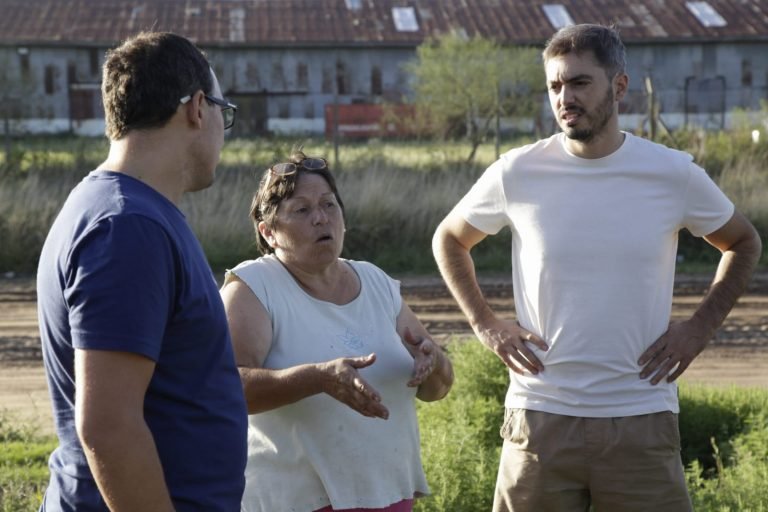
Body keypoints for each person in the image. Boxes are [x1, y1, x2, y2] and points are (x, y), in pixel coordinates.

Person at [432, 23, 762, 512]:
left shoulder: (672, 174)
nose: (565, 98)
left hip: (640, 416)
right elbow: (449, 239)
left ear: (619, 86)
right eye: (555, 86)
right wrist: (485, 324)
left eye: (580, 82)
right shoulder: (517, 172)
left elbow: (743, 242)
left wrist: (699, 328)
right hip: (540, 418)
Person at [36, 32, 247, 511]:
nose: (223, 129)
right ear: (198, 108)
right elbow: (109, 427)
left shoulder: (122, 211)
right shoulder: (127, 226)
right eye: (224, 112)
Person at [220, 149, 454, 512]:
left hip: (389, 497)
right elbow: (226, 388)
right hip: (295, 502)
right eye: (302, 210)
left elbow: (437, 387)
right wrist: (318, 379)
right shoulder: (254, 286)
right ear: (269, 232)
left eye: (329, 205)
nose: (321, 218)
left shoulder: (375, 282)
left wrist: (434, 363)